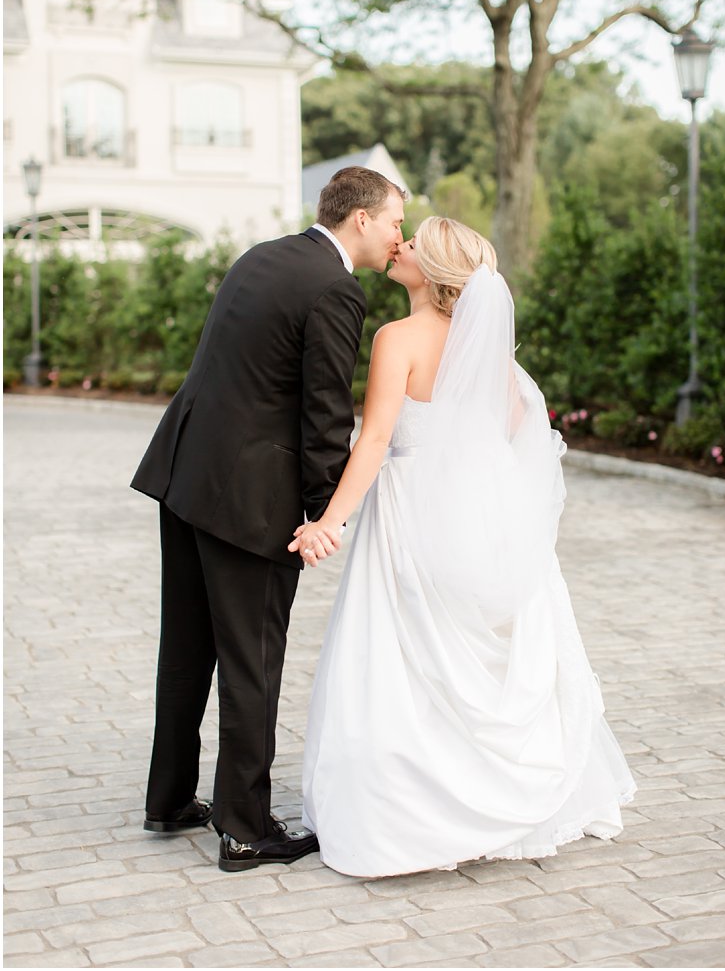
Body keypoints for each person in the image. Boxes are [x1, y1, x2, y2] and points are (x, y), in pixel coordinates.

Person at [293, 216, 634, 878]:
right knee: (465, 650)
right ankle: (497, 794)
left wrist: (329, 521)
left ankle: (412, 808)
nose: (402, 246)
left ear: (436, 270)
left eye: (414, 243)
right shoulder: (488, 351)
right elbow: (511, 430)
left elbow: (371, 442)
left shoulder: (397, 338)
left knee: (404, 657)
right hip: (475, 511)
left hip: (408, 512)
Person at [131, 166, 406, 872]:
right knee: (251, 659)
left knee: (187, 646)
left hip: (187, 473)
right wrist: (325, 515)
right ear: (362, 219)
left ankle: (168, 799)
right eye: (396, 220)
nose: (399, 234)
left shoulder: (264, 255)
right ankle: (246, 825)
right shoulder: (335, 288)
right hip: (250, 500)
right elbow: (324, 415)